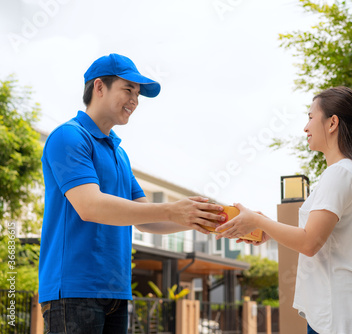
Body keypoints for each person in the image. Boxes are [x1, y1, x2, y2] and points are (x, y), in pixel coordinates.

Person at [38, 53, 225, 334]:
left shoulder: (119, 153)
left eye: (138, 94)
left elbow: (145, 219)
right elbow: (89, 205)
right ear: (99, 87)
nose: (135, 101)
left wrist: (201, 219)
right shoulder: (69, 137)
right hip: (74, 292)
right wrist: (172, 209)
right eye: (128, 90)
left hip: (117, 293)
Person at [216, 86, 352, 333]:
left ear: (332, 123)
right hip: (341, 308)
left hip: (336, 311)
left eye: (310, 117)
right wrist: (269, 229)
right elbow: (320, 237)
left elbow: (309, 242)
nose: (305, 127)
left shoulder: (339, 173)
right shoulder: (350, 172)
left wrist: (259, 222)